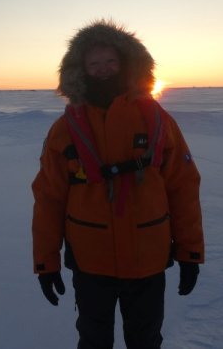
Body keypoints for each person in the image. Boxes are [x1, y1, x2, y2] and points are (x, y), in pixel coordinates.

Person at [32, 20, 204, 349]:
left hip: (148, 260)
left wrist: (190, 253)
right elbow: (49, 198)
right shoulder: (64, 130)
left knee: (146, 340)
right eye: (94, 64)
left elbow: (183, 188)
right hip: (90, 263)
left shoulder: (157, 120)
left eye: (110, 62)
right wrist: (46, 262)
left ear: (126, 64)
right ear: (80, 70)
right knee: (94, 340)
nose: (103, 70)